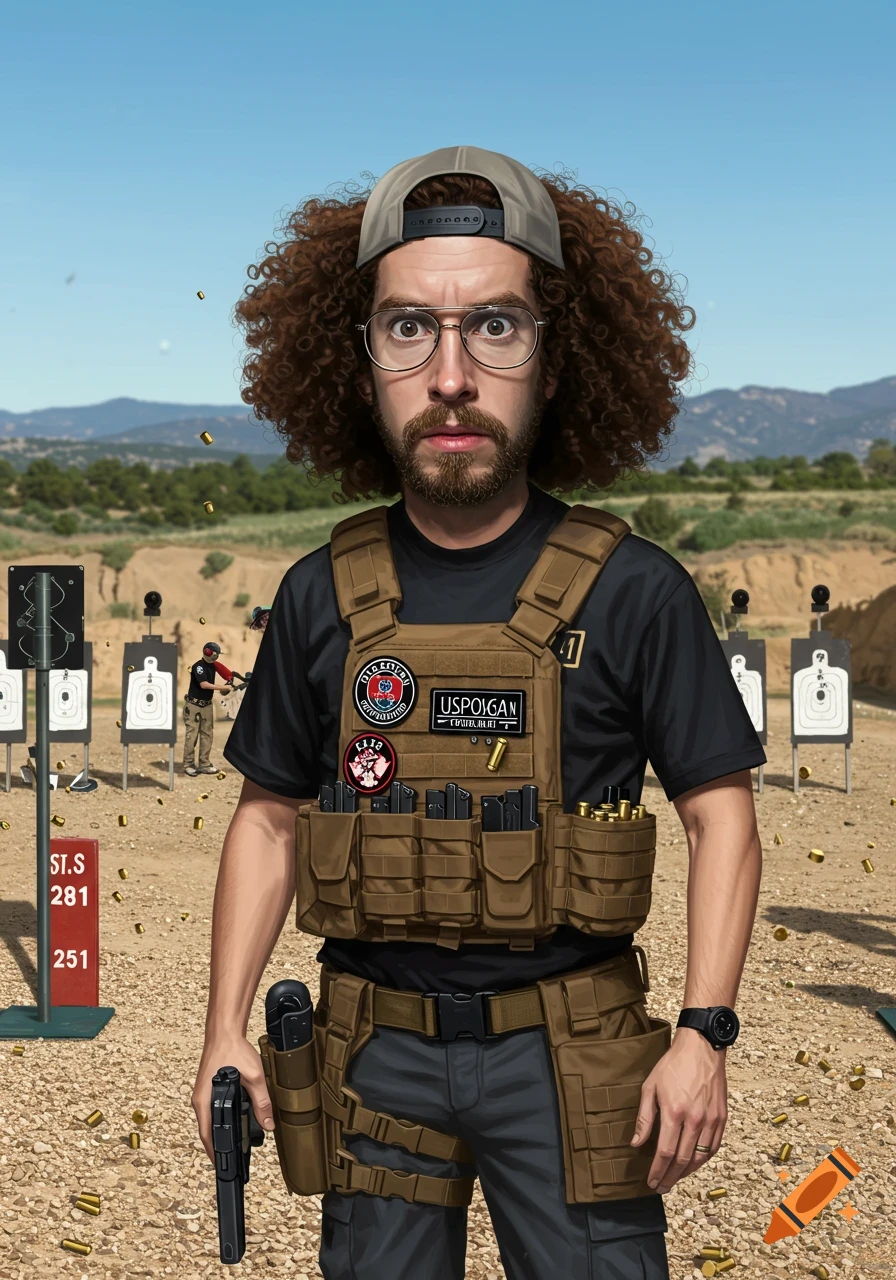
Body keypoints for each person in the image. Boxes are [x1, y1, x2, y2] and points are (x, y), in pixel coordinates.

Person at [191, 147, 765, 1280]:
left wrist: (701, 1033)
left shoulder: (632, 587)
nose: (450, 372)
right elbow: (265, 817)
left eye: (495, 327)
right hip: (371, 1056)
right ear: (358, 367)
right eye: (408, 328)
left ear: (555, 362)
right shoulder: (320, 591)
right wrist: (223, 1028)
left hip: (576, 1055)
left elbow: (721, 817)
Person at [182, 640, 233, 777]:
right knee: (191, 736)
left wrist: (230, 679)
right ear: (208, 652)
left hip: (206, 705)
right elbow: (204, 684)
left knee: (207, 735)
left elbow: (226, 672)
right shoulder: (198, 667)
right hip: (194, 705)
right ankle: (188, 764)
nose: (217, 657)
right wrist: (223, 687)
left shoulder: (213, 666)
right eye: (215, 654)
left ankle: (204, 764)